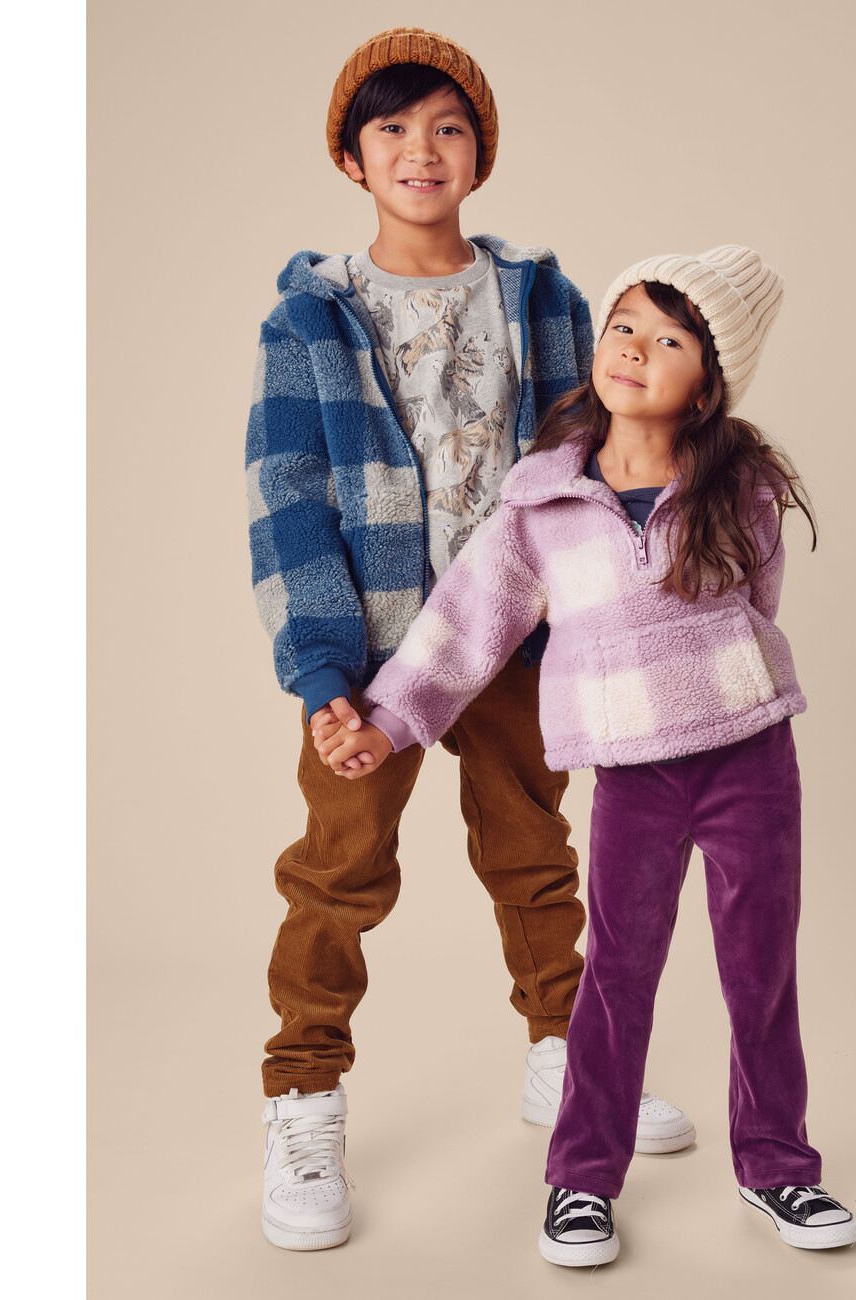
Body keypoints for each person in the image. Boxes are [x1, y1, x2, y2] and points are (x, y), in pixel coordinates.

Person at [320, 246, 856, 1266]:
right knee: (615, 977)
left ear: (706, 384)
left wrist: (727, 687)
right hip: (631, 769)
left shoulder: (739, 487)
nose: (634, 350)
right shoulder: (542, 502)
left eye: (670, 340)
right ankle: (580, 1182)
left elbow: (758, 603)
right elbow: (465, 624)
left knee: (760, 971)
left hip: (749, 754)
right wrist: (388, 720)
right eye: (624, 326)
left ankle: (778, 1166)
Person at [246, 27, 693, 1253]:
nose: (421, 149)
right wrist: (324, 673)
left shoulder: (543, 296)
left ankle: (565, 1056)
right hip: (377, 653)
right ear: (351, 158)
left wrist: (606, 608)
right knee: (338, 871)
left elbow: (595, 455)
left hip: (517, 638)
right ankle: (302, 1096)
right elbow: (289, 499)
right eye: (391, 128)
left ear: (480, 153)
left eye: (447, 127)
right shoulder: (311, 317)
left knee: (532, 853)